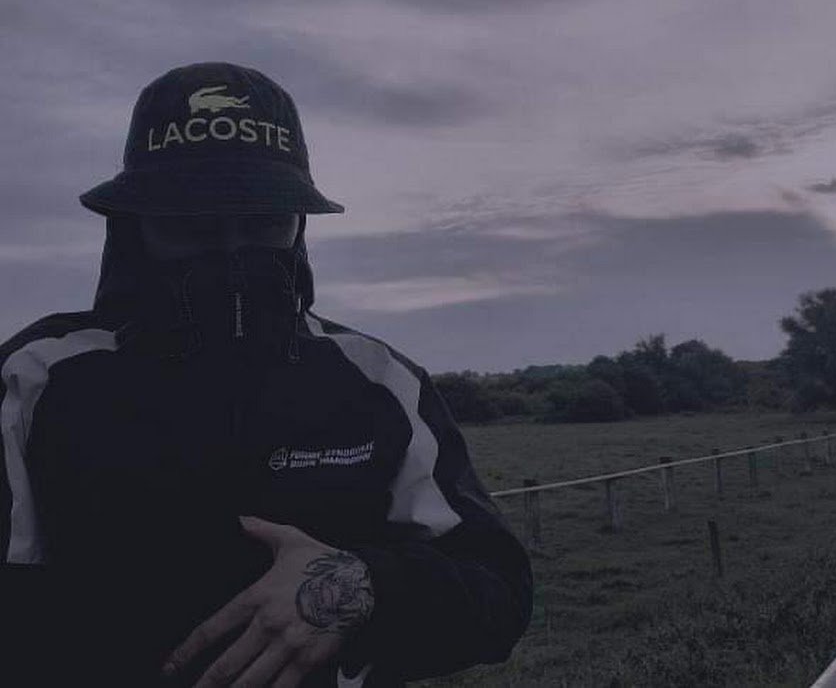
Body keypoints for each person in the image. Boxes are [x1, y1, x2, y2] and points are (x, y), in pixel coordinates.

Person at [0, 62, 533, 687]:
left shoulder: (380, 382)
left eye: (262, 219)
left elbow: (498, 591)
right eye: (190, 221)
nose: (231, 247)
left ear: (298, 226)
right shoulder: (36, 380)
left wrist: (363, 585)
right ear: (135, 225)